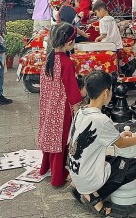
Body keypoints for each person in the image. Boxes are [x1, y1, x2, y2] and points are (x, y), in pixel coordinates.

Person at [68, 70, 136, 216]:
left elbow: (104, 138)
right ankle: (93, 197)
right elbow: (120, 144)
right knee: (134, 166)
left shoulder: (81, 112)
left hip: (75, 171)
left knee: (113, 160)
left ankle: (78, 186)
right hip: (87, 178)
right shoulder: (100, 120)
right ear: (105, 92)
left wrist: (118, 135)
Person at [37, 23, 84, 187]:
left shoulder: (48, 60)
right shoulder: (66, 62)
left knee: (50, 137)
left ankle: (45, 167)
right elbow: (71, 90)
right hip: (61, 108)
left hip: (47, 106)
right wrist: (77, 112)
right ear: (70, 42)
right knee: (60, 140)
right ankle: (57, 177)